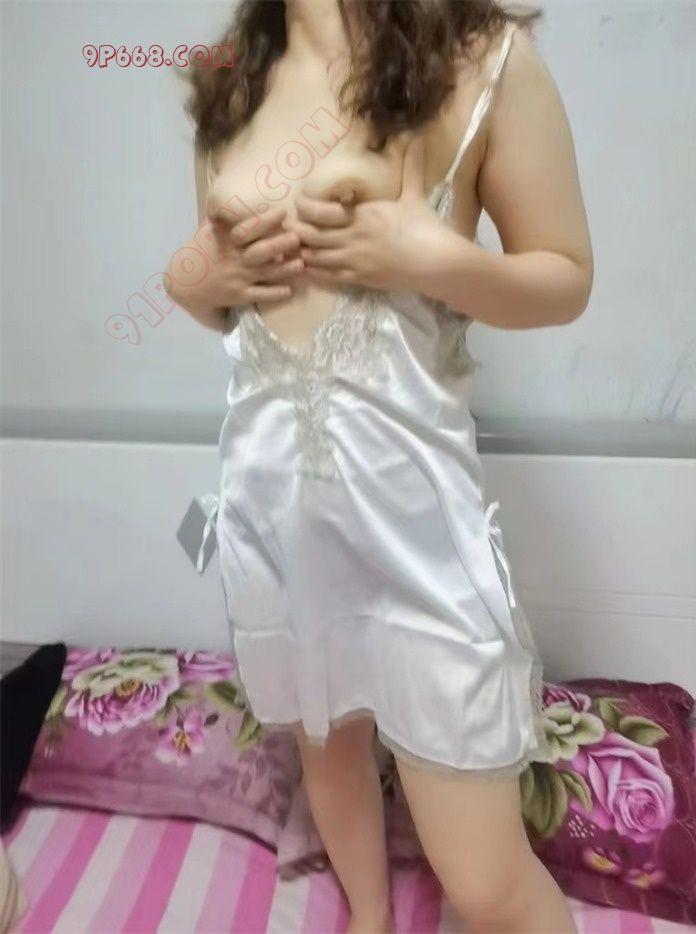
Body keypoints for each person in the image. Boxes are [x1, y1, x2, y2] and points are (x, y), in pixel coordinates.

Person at [163, 1, 593, 930]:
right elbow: (216, 279)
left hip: (416, 541)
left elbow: (565, 275)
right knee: (327, 743)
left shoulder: (482, 60)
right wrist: (195, 284)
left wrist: (430, 258)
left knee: (485, 883)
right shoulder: (233, 78)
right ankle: (369, 914)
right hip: (276, 517)